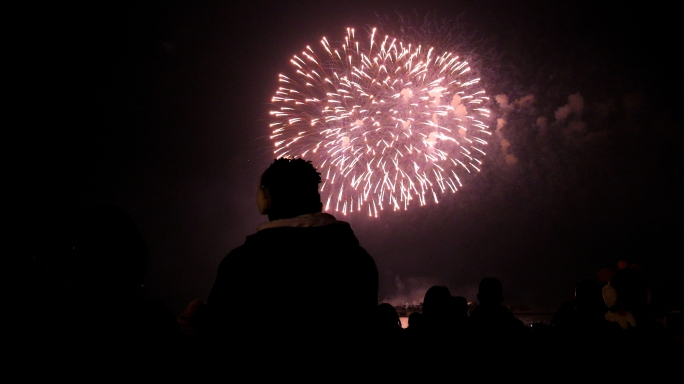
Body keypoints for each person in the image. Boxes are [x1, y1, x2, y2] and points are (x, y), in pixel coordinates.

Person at [205, 157, 378, 374]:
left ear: (265, 199)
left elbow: (219, 345)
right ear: (316, 200)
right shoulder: (358, 259)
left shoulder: (242, 264)